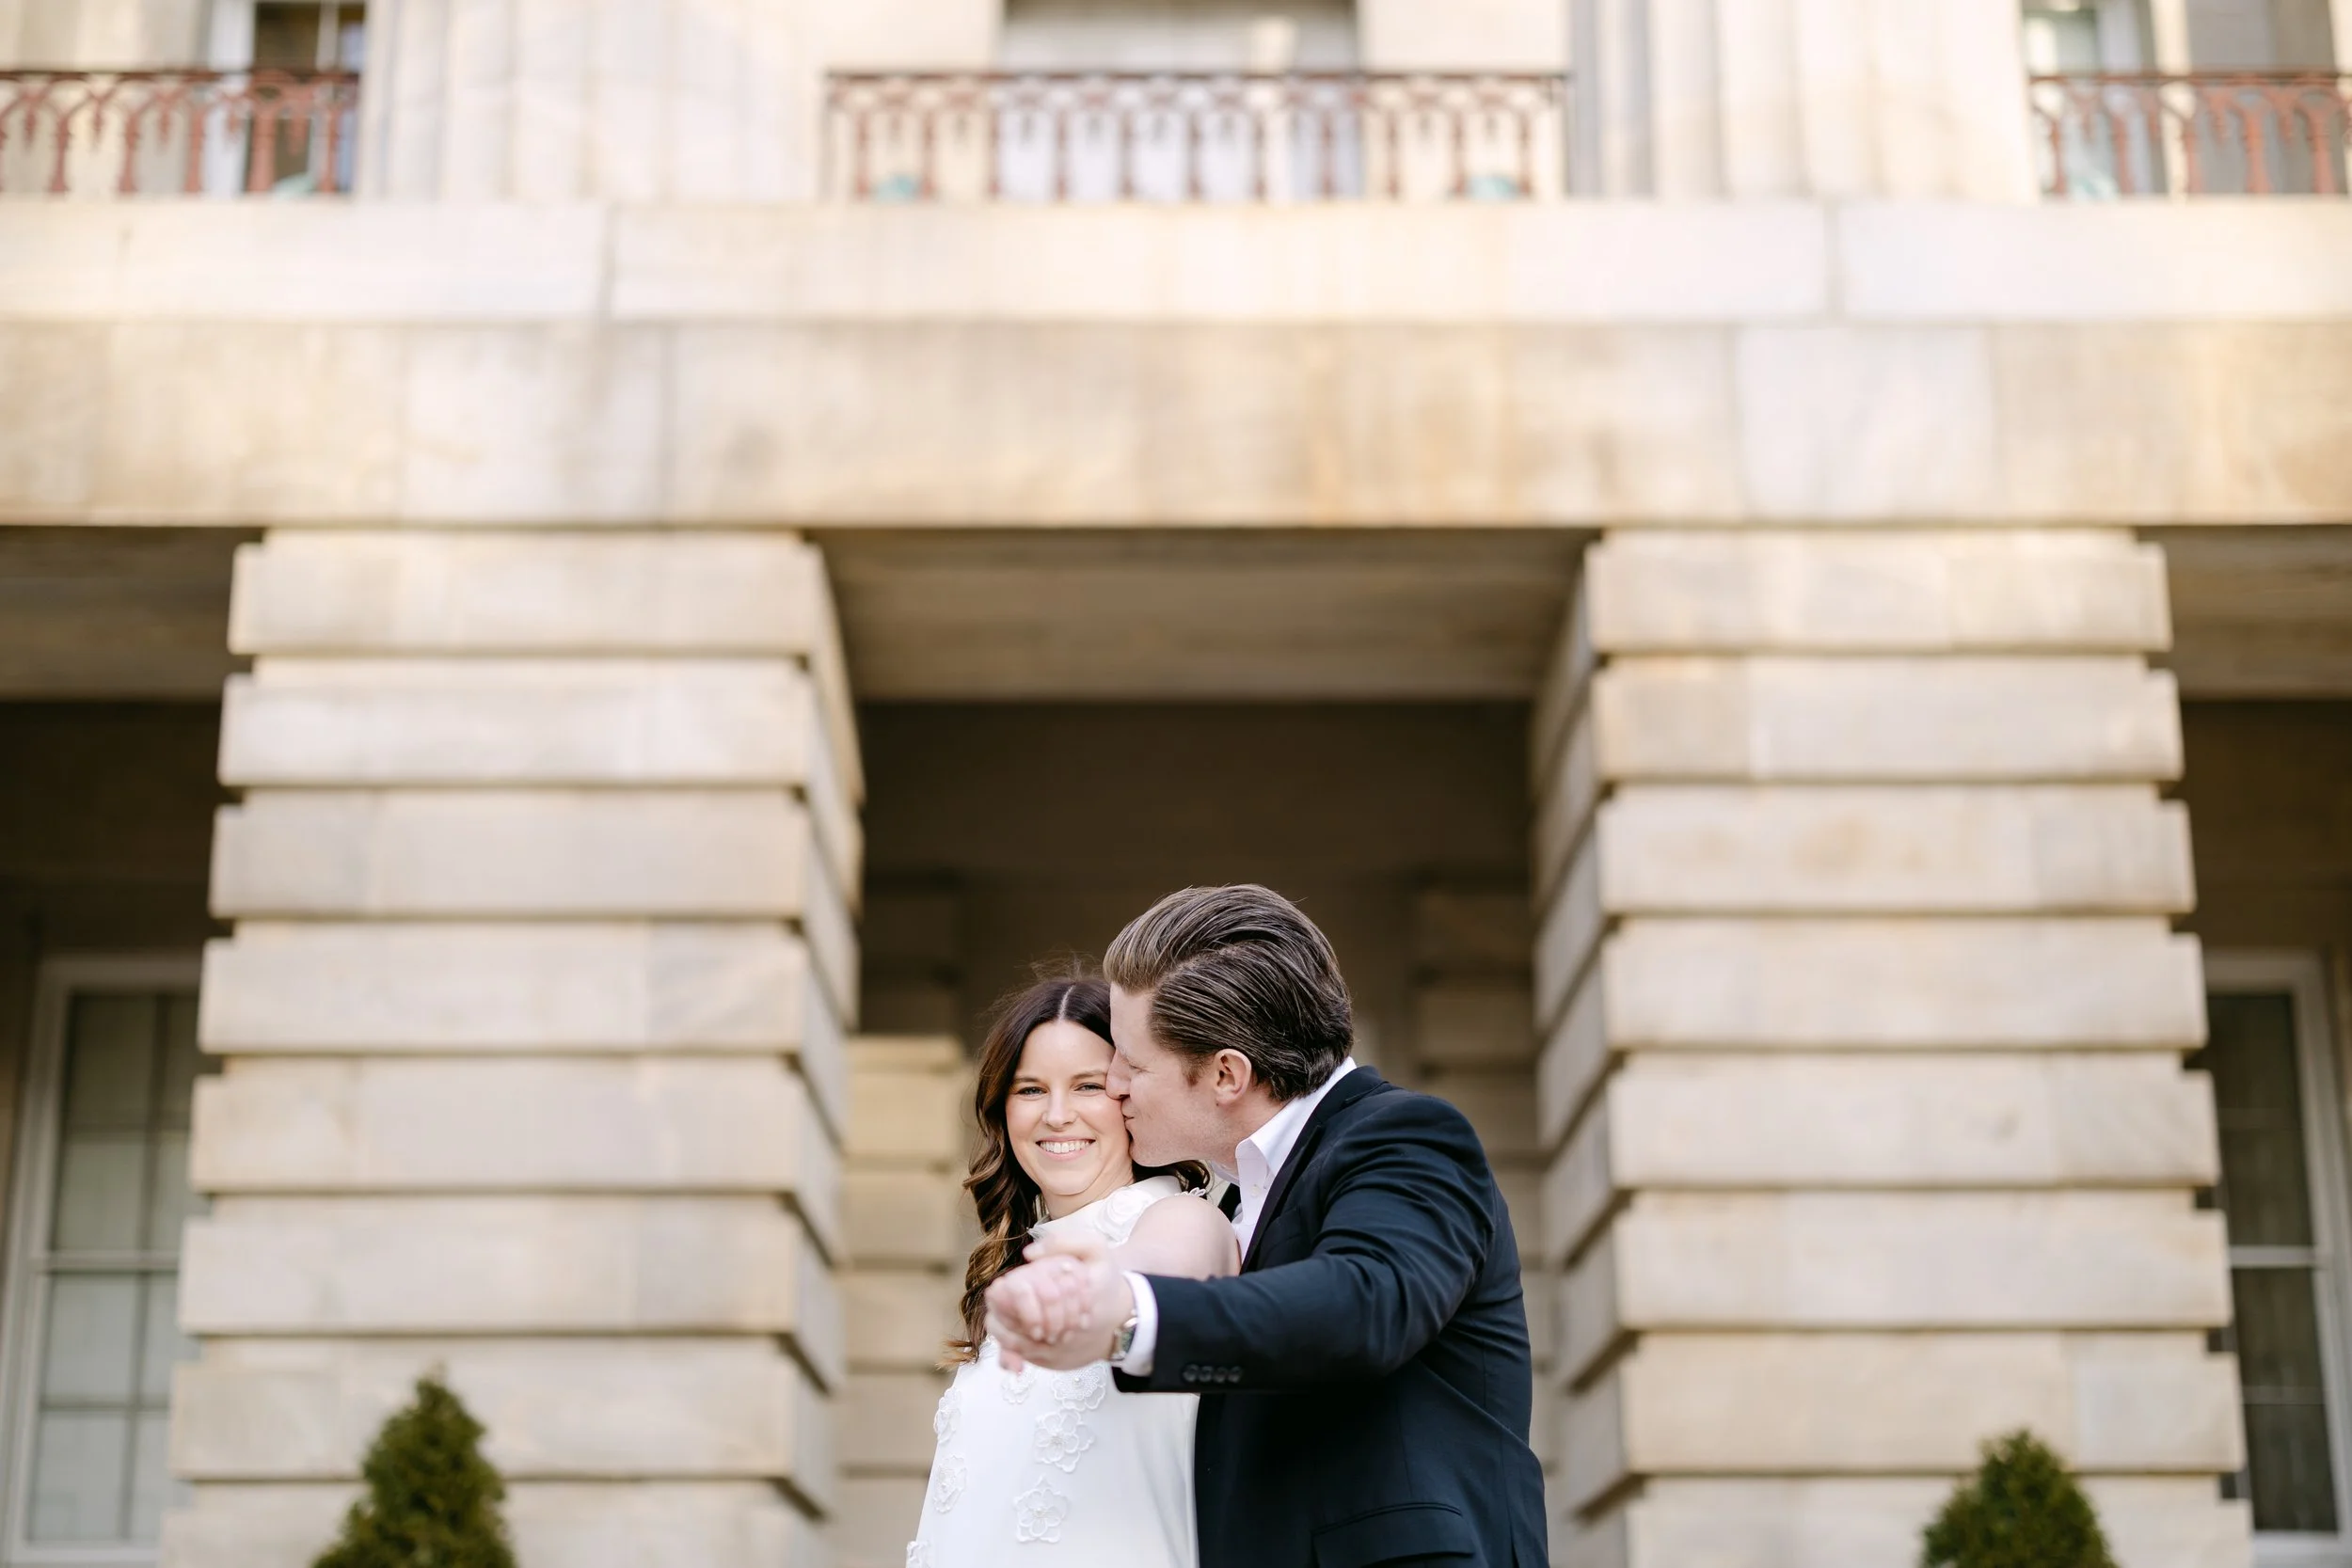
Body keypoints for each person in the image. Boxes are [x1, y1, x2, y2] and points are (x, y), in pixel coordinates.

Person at [985, 885, 1547, 1568]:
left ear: (1226, 1072)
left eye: (1130, 1062)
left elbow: (1364, 1299)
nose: (1116, 1082)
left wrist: (1129, 1315)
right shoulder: (1233, 1206)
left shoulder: (1405, 1135)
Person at [908, 973, 1239, 1568]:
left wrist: (1091, 1289)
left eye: (1088, 1086)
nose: (1057, 1115)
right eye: (1030, 1089)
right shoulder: (1012, 1276)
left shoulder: (1182, 1220)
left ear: (1132, 1096)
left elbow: (1152, 1273)